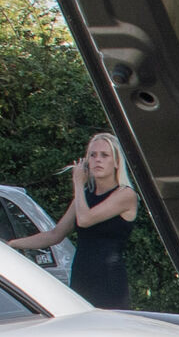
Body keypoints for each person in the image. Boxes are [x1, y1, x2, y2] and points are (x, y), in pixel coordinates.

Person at [14, 131, 141, 309]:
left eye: (104, 155)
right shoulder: (84, 197)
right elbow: (55, 235)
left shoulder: (125, 194)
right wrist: (11, 244)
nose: (97, 160)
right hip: (81, 275)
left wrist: (78, 184)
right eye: (92, 155)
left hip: (108, 279)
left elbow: (84, 220)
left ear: (116, 162)